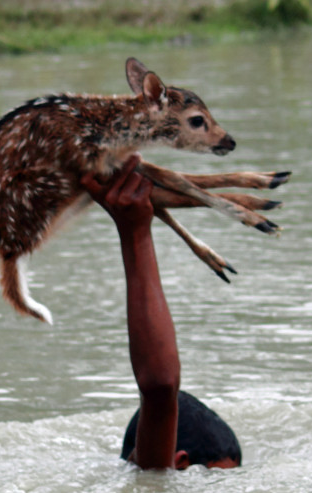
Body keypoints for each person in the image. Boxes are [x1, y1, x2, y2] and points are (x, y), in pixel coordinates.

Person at [81, 155, 241, 470]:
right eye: (217, 480)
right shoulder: (156, 477)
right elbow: (160, 387)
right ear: (179, 462)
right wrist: (135, 232)